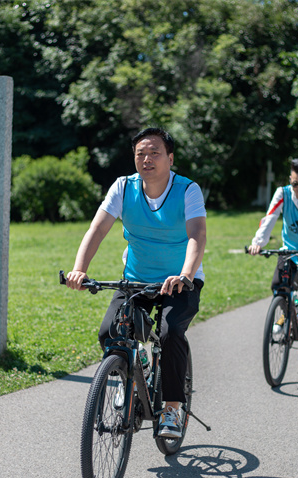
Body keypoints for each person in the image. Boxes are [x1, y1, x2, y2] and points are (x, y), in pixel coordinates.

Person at [65, 127, 206, 439]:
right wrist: (79, 269)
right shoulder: (123, 187)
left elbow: (197, 234)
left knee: (169, 334)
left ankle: (171, 407)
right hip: (136, 281)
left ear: (171, 158)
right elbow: (98, 229)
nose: (146, 158)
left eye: (154, 152)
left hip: (180, 282)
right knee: (109, 333)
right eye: (140, 153)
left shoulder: (187, 190)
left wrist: (185, 274)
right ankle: (132, 369)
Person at [247, 158, 298, 356]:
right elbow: (269, 218)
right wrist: (258, 243)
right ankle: (285, 313)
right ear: (290, 180)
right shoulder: (283, 193)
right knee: (279, 284)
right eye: (295, 183)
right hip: (291, 250)